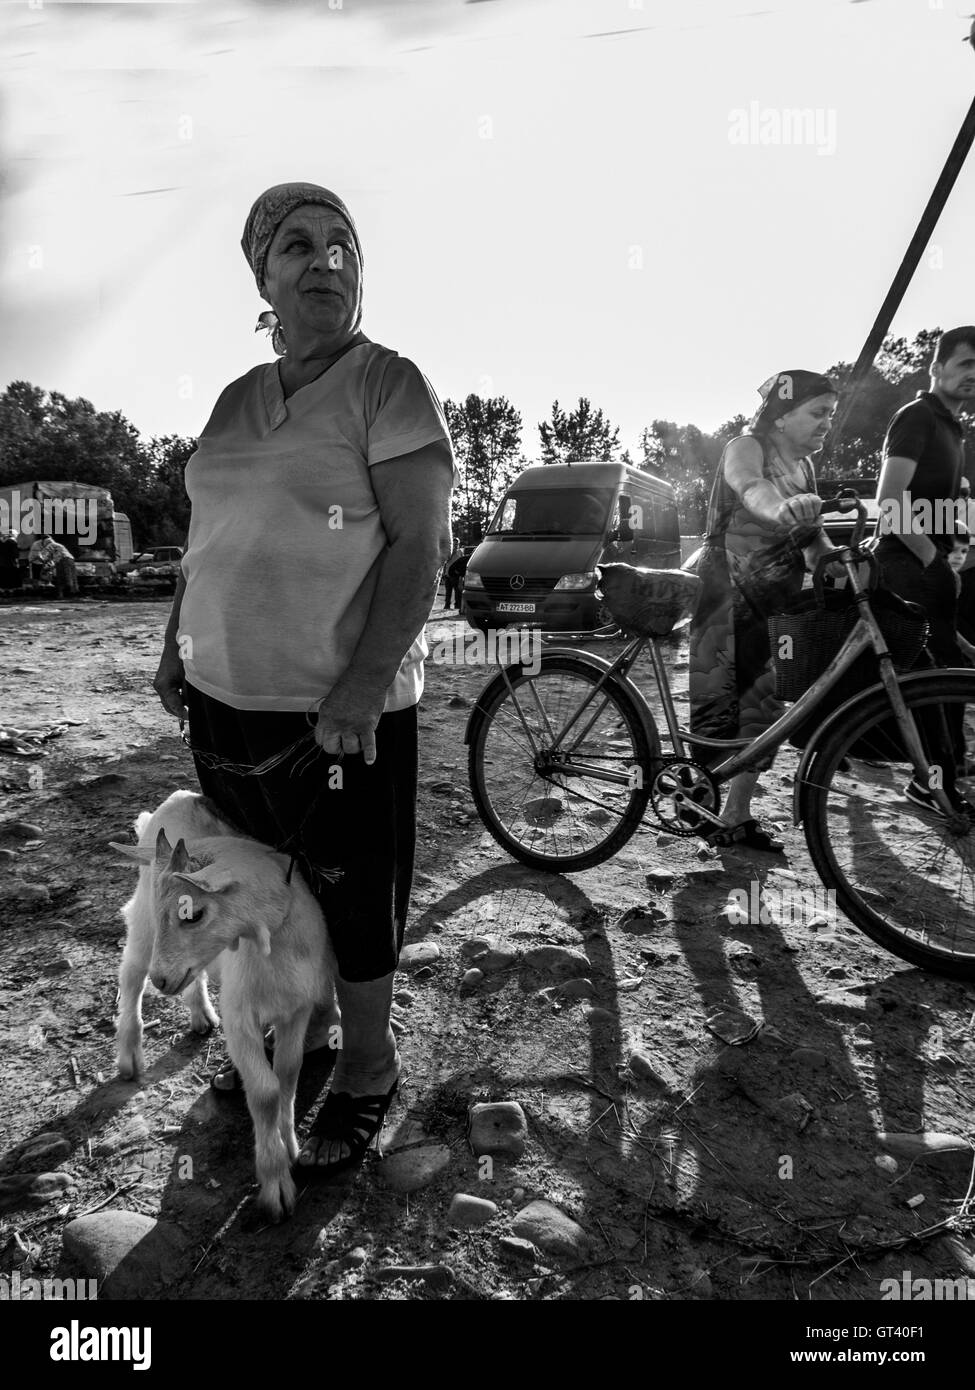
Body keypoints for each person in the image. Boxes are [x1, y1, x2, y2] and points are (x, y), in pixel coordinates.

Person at [151, 182, 456, 1179]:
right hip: (225, 707)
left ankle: (368, 1064)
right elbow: (206, 539)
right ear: (262, 278)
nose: (324, 260)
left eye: (341, 245)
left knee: (354, 897)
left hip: (337, 718)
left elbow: (421, 546)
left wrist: (361, 691)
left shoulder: (388, 384)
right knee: (261, 887)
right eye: (297, 246)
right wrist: (173, 643)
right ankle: (296, 1035)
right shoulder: (237, 400)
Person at [689, 370, 840, 852]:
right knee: (718, 703)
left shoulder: (806, 472)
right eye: (818, 413)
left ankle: (735, 814)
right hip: (725, 590)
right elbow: (752, 489)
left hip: (773, 603)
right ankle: (699, 805)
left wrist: (847, 562)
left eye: (830, 416)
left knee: (765, 710)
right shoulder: (747, 445)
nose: (825, 425)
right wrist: (784, 510)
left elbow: (815, 545)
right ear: (782, 414)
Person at [875, 326, 975, 815]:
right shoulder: (917, 416)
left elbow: (938, 504)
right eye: (965, 365)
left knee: (950, 676)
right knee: (933, 680)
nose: (973, 376)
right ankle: (930, 782)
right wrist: (934, 561)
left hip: (931, 560)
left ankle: (946, 775)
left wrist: (960, 541)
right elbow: (890, 502)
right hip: (905, 561)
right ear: (936, 368)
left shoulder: (954, 427)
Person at [442, 542, 466, 609]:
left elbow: (463, 562)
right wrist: (443, 573)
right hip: (447, 574)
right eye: (454, 544)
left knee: (457, 592)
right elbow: (445, 562)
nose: (455, 545)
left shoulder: (460, 552)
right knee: (448, 592)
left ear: (458, 544)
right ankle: (447, 605)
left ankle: (457, 606)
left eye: (456, 544)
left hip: (456, 575)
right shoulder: (449, 551)